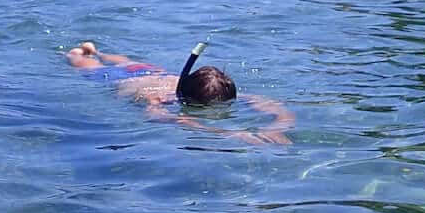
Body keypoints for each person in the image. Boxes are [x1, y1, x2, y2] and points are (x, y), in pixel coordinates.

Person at [65, 41, 294, 145]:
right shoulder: (157, 98)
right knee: (84, 63)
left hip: (149, 71)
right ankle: (79, 53)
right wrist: (224, 132)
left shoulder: (216, 92)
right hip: (124, 78)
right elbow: (158, 116)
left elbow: (268, 104)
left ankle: (98, 50)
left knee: (127, 61)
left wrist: (277, 127)